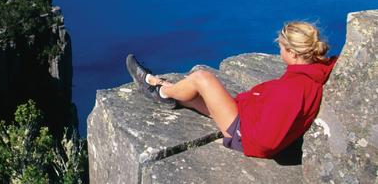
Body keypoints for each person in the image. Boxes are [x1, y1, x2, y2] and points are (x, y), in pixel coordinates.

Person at [126, 21, 337, 158]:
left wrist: (242, 131)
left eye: (281, 48)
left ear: (292, 52)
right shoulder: (315, 71)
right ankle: (170, 91)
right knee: (195, 94)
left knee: (202, 78)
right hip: (248, 116)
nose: (279, 51)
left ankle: (158, 90)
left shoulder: (293, 89)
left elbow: (267, 143)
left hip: (244, 133)